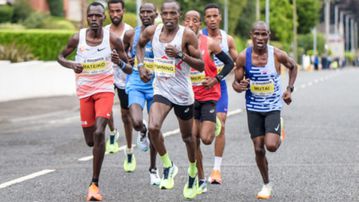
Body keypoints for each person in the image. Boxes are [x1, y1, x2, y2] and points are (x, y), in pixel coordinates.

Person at [57, 2, 132, 201]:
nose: (94, 19)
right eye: (91, 16)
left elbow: (129, 69)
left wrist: (120, 62)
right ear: (86, 17)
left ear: (103, 18)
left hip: (105, 90)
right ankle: (104, 140)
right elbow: (60, 57)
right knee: (91, 140)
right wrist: (71, 64)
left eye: (98, 16)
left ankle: (94, 184)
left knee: (99, 132)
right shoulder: (77, 37)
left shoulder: (113, 39)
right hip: (85, 93)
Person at [136, 0, 204, 199]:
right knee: (154, 128)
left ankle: (192, 171)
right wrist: (141, 66)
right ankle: (168, 165)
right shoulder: (152, 32)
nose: (168, 17)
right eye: (164, 13)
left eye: (172, 13)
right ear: (161, 15)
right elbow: (139, 45)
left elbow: (200, 66)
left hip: (183, 93)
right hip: (162, 89)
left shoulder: (187, 35)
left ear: (178, 15)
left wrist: (181, 54)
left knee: (188, 138)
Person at [232, 21, 297, 199]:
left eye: (264, 34)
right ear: (251, 35)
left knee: (271, 146)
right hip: (253, 108)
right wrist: (241, 85)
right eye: (257, 34)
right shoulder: (243, 57)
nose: (260, 38)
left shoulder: (277, 54)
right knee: (259, 149)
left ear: (269, 35)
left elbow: (293, 66)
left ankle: (278, 129)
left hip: (272, 107)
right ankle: (266, 184)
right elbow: (236, 84)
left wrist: (289, 89)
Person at [183, 10, 234, 194]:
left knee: (205, 139)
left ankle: (214, 125)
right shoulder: (178, 43)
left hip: (208, 96)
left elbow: (229, 63)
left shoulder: (209, 43)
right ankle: (201, 178)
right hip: (189, 98)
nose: (190, 23)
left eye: (194, 21)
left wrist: (216, 79)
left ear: (199, 24)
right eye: (187, 20)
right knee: (193, 139)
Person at [122, 2, 160, 186]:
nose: (145, 15)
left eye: (149, 12)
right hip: (136, 83)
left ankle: (153, 169)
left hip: (157, 86)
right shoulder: (131, 34)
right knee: (137, 122)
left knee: (155, 128)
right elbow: (122, 51)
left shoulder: (162, 34)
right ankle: (141, 131)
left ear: (156, 14)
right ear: (139, 14)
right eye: (142, 12)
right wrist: (127, 59)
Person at [202, 3, 238, 185]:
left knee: (221, 122)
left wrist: (241, 80)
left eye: (215, 16)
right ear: (204, 19)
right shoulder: (197, 37)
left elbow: (236, 62)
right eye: (208, 17)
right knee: (197, 133)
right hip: (198, 86)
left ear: (220, 17)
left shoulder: (227, 39)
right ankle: (197, 169)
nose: (212, 19)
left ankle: (216, 169)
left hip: (219, 85)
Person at [105, 0, 137, 173]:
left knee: (126, 116)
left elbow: (135, 54)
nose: (115, 14)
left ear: (123, 10)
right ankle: (112, 133)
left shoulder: (130, 31)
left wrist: (130, 59)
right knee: (105, 109)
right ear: (108, 12)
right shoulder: (103, 32)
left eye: (118, 10)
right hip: (107, 75)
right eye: (112, 11)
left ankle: (130, 150)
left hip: (125, 77)